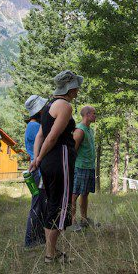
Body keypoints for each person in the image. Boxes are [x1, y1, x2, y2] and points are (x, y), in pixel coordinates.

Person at [29, 70, 82, 263]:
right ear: (70, 87)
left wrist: (37, 158)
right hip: (60, 159)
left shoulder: (49, 105)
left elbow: (40, 135)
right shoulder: (65, 106)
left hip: (49, 161)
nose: (78, 89)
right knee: (60, 208)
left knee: (52, 204)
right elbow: (51, 137)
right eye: (76, 85)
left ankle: (51, 252)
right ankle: (50, 256)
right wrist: (40, 156)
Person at [24, 95, 48, 248]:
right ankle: (30, 241)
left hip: (38, 169)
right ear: (39, 111)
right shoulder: (34, 127)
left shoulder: (32, 126)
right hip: (38, 171)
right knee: (37, 205)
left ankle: (39, 238)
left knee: (41, 205)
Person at [70, 106, 97, 231]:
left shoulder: (89, 130)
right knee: (74, 194)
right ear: (87, 114)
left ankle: (84, 219)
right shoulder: (80, 130)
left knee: (85, 193)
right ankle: (72, 221)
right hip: (80, 166)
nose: (95, 116)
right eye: (94, 113)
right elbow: (73, 150)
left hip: (89, 167)